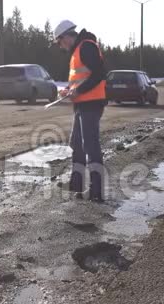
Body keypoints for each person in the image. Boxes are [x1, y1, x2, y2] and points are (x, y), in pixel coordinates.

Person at [54, 20, 107, 202]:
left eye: (60, 42)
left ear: (66, 37)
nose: (61, 46)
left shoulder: (86, 46)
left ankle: (96, 191)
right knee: (77, 143)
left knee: (90, 145)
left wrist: (80, 90)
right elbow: (80, 79)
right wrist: (69, 90)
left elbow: (99, 73)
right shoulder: (77, 50)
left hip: (92, 103)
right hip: (82, 103)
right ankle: (76, 183)